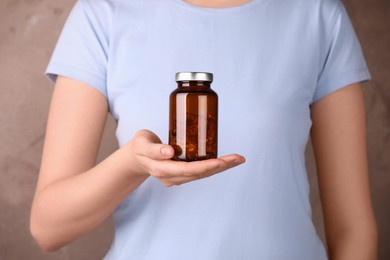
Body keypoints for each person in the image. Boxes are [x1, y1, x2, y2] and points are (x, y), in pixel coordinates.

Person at [30, 0, 378, 259]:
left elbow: (353, 229)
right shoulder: (103, 12)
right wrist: (132, 165)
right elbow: (49, 228)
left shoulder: (316, 13)